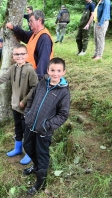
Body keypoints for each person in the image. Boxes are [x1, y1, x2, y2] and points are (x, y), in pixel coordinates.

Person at [0, 44, 38, 165]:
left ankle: (29, 153)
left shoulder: (30, 70)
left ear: (26, 55)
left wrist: (24, 101)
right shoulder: (12, 69)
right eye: (16, 54)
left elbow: (35, 87)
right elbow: (0, 79)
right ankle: (18, 148)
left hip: (26, 108)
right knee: (18, 128)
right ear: (13, 56)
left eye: (22, 54)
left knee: (28, 131)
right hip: (15, 106)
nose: (19, 56)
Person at [23, 57, 70, 196]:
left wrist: (46, 125)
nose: (55, 73)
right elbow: (31, 99)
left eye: (59, 71)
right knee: (28, 146)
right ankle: (36, 166)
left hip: (44, 130)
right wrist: (28, 114)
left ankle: (40, 182)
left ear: (63, 72)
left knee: (42, 154)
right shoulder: (42, 83)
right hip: (30, 124)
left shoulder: (63, 92)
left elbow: (63, 115)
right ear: (48, 70)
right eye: (52, 70)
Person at [6, 10, 54, 80]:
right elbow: (24, 35)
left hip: (36, 77)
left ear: (39, 20)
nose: (29, 23)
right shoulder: (34, 34)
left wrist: (38, 79)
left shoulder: (44, 38)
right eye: (29, 21)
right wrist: (13, 28)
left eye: (31, 21)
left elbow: (44, 61)